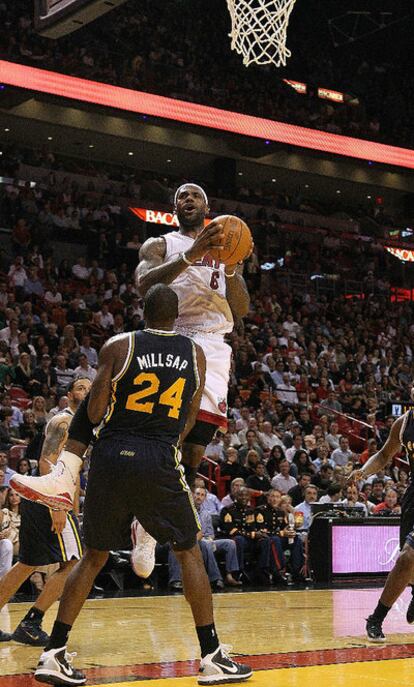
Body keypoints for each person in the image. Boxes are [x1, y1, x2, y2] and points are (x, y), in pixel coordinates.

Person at [13, 183, 251, 578]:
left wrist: (230, 268)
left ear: (208, 206)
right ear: (175, 209)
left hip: (212, 344)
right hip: (165, 333)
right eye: (181, 197)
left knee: (192, 450)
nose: (187, 200)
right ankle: (65, 474)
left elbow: (239, 309)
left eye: (194, 196)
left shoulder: (229, 249)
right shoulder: (161, 244)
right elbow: (144, 285)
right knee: (110, 407)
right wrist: (192, 255)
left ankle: (149, 528)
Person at [18, 285, 251, 685]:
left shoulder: (119, 345)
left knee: (93, 556)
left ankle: (53, 653)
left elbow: (92, 410)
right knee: (189, 551)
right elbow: (190, 417)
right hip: (158, 453)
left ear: (143, 312)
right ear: (176, 318)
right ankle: (211, 655)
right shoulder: (194, 354)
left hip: (110, 453)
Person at [0, 377, 90, 645]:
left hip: (44, 497)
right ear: (69, 394)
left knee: (28, 563)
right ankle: (32, 622)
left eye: (89, 387)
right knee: (74, 562)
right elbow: (46, 461)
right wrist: (59, 504)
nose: (85, 391)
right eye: (80, 387)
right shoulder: (64, 421)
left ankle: (29, 623)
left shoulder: (82, 423)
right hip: (49, 497)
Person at [348, 402, 414, 642]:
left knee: (409, 557)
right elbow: (385, 454)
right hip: (413, 496)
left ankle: (376, 618)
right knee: (407, 563)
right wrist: (363, 472)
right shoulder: (403, 423)